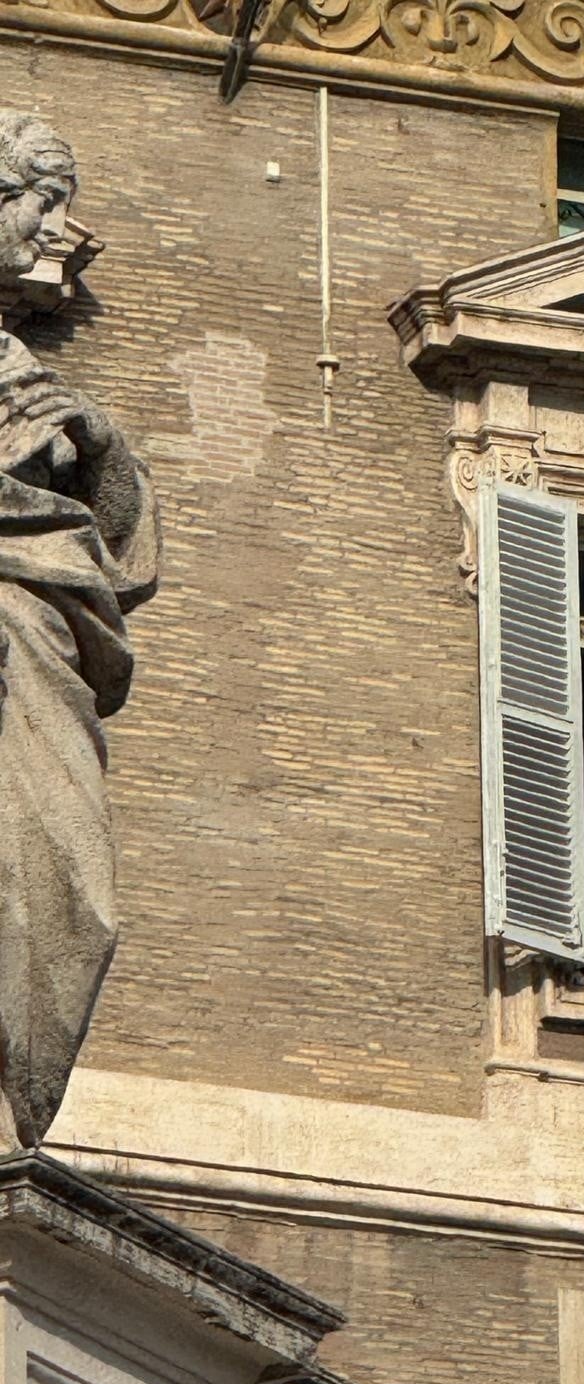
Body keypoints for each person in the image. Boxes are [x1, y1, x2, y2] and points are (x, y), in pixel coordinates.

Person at [0, 111, 159, 1148]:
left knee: (72, 890)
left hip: (35, 632)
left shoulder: (20, 365)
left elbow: (121, 538)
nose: (50, 229)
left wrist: (91, 442)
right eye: (38, 203)